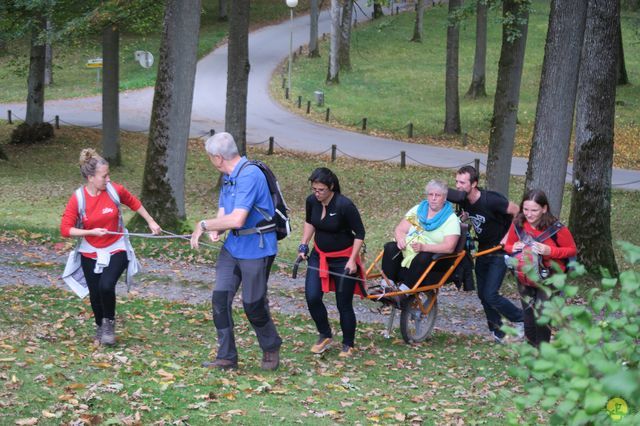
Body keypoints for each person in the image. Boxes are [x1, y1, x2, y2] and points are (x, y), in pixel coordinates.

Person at [190, 132, 282, 371]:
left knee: (253, 304)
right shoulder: (228, 177)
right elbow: (225, 211)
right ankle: (227, 356)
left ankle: (271, 345)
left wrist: (203, 225)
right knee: (220, 298)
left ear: (218, 158)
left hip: (257, 248)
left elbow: (238, 219)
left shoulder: (250, 174)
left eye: (211, 157)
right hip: (233, 248)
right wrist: (217, 228)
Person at [60, 148, 161, 346]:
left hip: (117, 247)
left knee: (106, 285)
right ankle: (100, 325)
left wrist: (151, 221)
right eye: (104, 176)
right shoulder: (78, 198)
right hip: (90, 250)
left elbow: (134, 202)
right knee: (95, 291)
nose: (108, 180)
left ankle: (109, 324)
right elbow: (66, 229)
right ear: (90, 177)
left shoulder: (114, 191)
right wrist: (91, 232)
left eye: (109, 175)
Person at [448, 165, 524, 343]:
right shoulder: (463, 200)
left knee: (490, 294)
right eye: (456, 182)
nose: (458, 186)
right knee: (483, 294)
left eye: (462, 182)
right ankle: (498, 331)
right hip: (483, 249)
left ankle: (522, 319)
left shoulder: (492, 200)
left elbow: (518, 212)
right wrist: (464, 216)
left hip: (500, 250)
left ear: (474, 184)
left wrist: (508, 238)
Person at [298, 168, 366, 358]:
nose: (317, 193)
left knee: (343, 303)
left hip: (344, 258)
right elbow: (309, 222)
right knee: (312, 297)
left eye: (321, 190)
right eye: (314, 189)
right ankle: (325, 335)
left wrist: (352, 260)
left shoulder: (344, 205)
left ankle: (348, 344)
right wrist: (303, 245)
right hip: (319, 255)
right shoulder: (312, 201)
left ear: (331, 187)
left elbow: (360, 234)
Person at [503, 189, 577, 347]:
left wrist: (550, 251)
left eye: (534, 210)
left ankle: (543, 356)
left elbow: (572, 250)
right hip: (524, 276)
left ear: (544, 209)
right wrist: (513, 246)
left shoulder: (556, 229)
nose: (529, 214)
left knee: (542, 317)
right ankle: (532, 355)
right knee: (529, 317)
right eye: (526, 209)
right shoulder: (518, 224)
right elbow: (508, 246)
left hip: (549, 278)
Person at [381, 179, 460, 288]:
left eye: (438, 195)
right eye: (431, 194)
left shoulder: (451, 219)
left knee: (423, 256)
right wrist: (401, 239)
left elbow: (449, 247)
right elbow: (400, 229)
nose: (433, 198)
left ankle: (403, 292)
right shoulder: (418, 210)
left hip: (435, 259)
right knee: (391, 247)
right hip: (411, 249)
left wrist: (424, 247)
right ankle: (386, 286)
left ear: (445, 198)